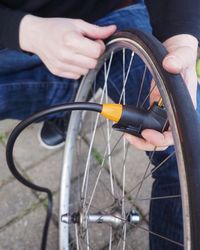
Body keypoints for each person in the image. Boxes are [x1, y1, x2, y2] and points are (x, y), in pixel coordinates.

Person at [0, 0, 199, 249]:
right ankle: (65, 109)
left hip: (116, 16)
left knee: (190, 153)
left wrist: (179, 41)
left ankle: (72, 103)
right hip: (12, 45)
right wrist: (23, 31)